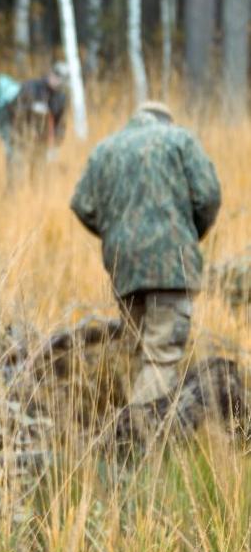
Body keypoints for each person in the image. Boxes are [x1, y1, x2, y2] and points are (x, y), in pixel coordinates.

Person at [70, 100, 223, 419]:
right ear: (166, 121)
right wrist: (189, 233)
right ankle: (139, 439)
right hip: (172, 264)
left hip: (124, 265)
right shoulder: (179, 139)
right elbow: (208, 196)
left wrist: (115, 235)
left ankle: (123, 433)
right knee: (160, 355)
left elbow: (82, 204)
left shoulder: (105, 149)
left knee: (137, 350)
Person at [0, 62, 69, 183]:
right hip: (20, 138)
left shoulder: (60, 98)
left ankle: (34, 199)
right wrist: (19, 133)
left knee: (39, 179)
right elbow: (16, 111)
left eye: (60, 77)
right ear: (50, 73)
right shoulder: (31, 87)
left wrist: (56, 145)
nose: (55, 79)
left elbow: (60, 124)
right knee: (16, 178)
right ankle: (14, 199)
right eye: (55, 74)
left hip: (42, 142)